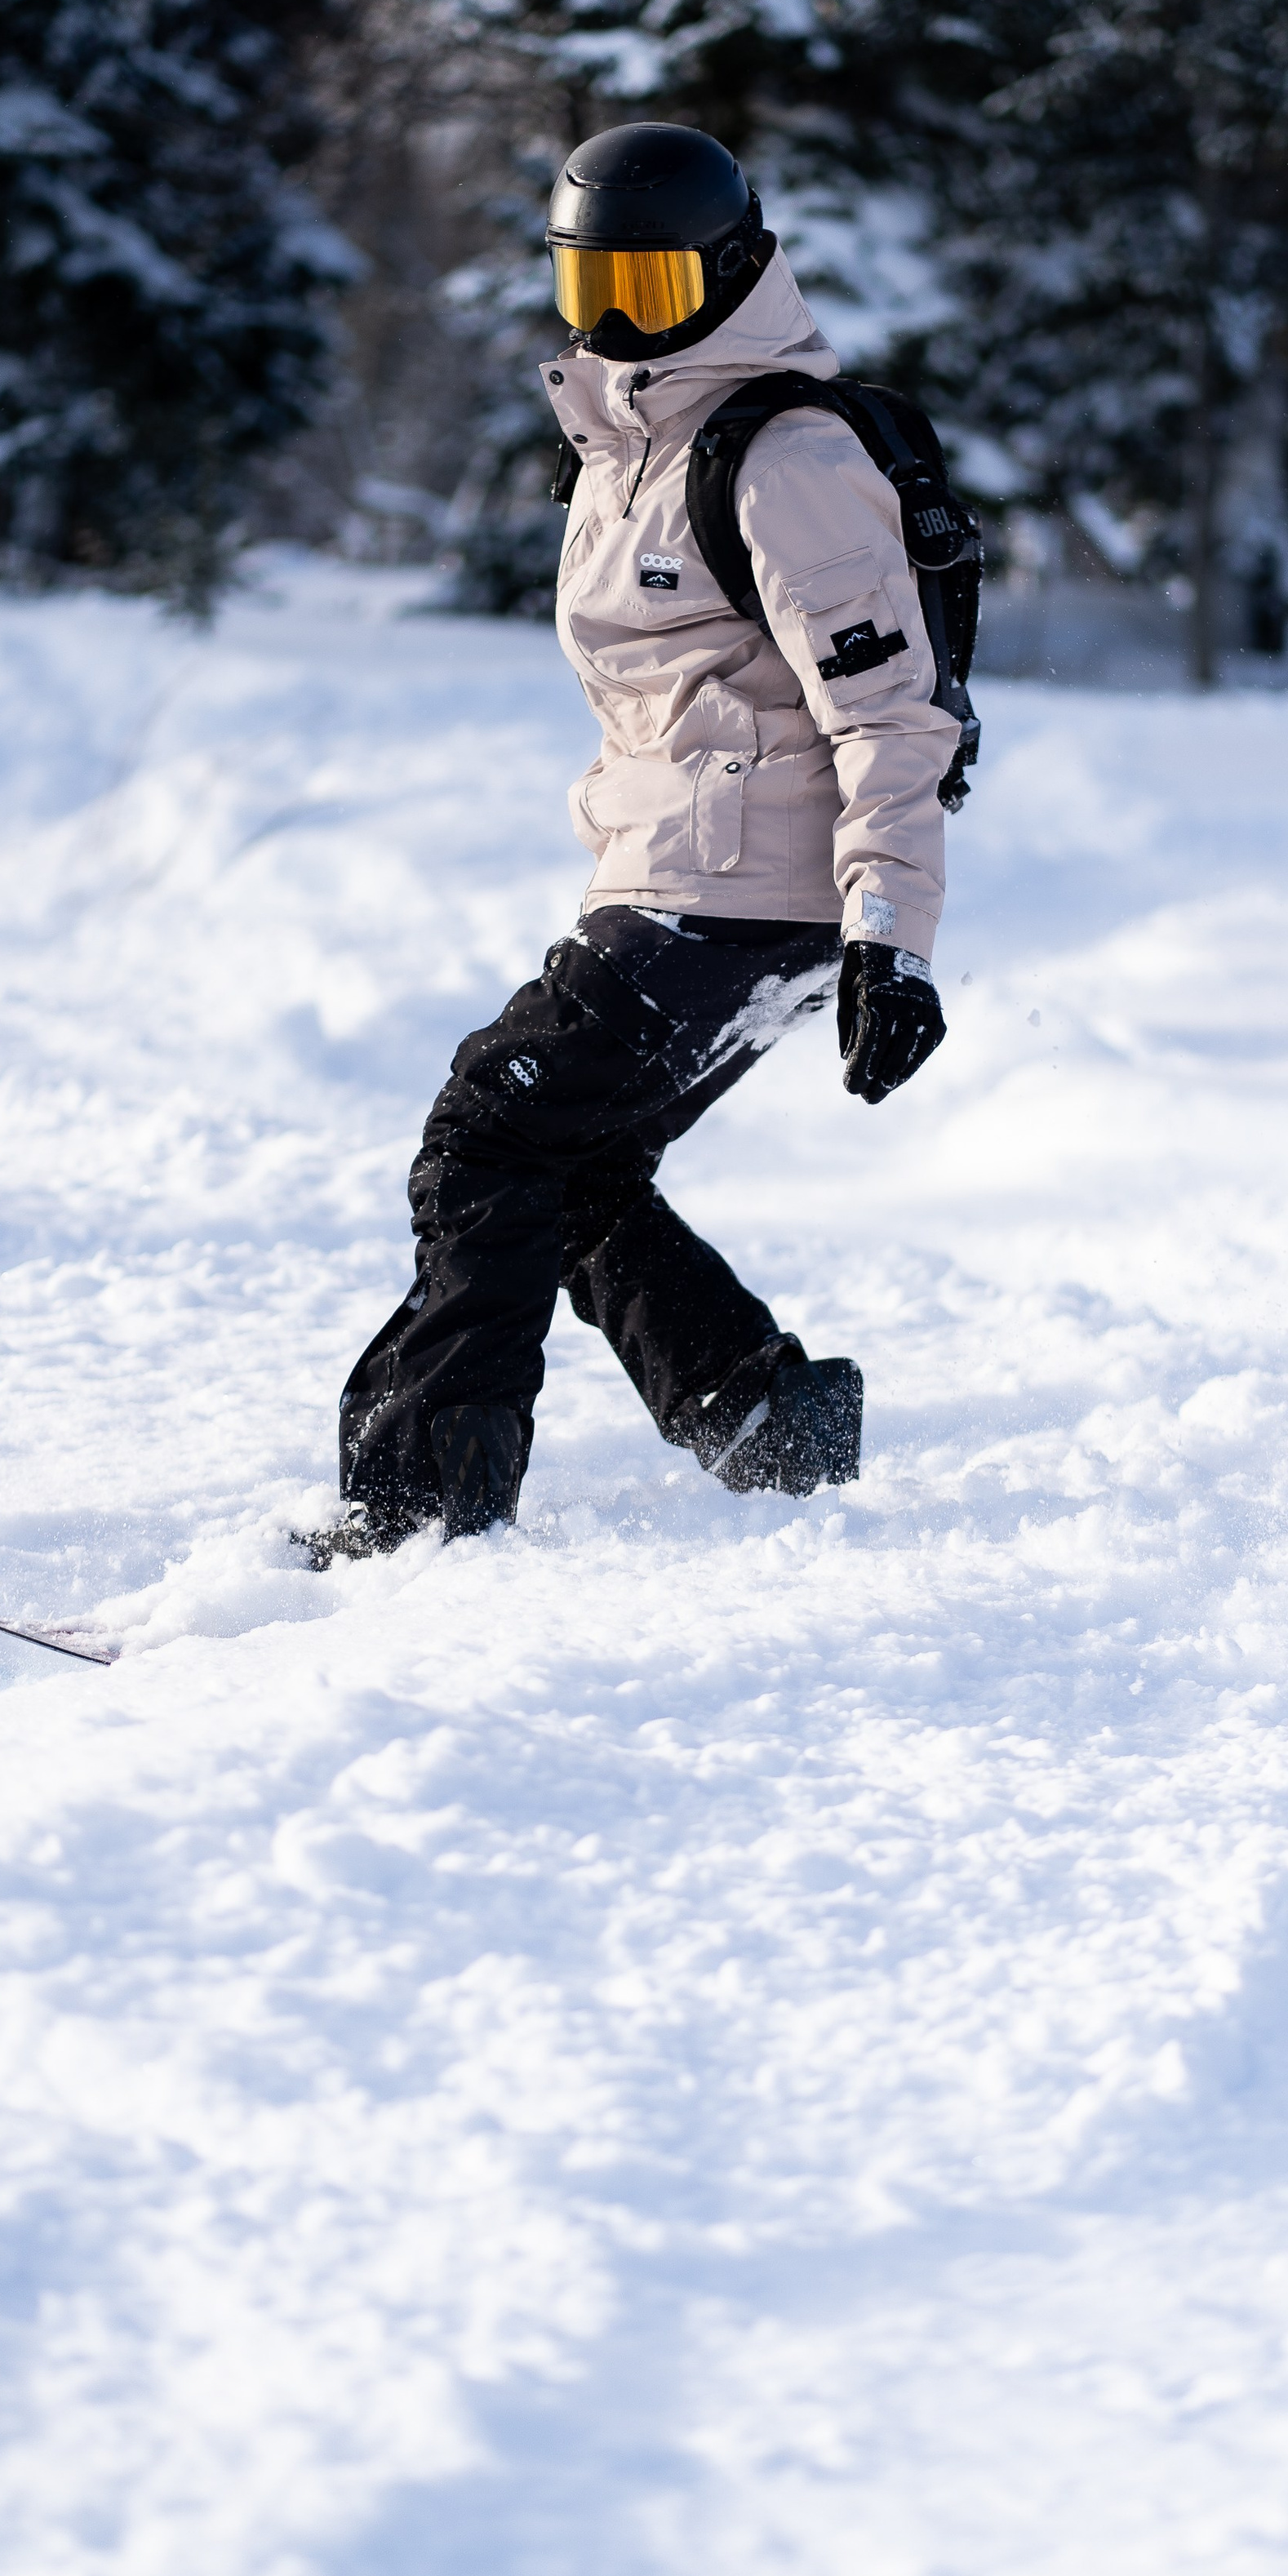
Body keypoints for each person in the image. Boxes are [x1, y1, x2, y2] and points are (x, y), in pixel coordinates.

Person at [303, 121, 961, 1560]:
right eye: (592, 285)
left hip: (741, 894)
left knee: (485, 1136)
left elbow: (894, 716)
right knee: (575, 1169)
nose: (615, 321)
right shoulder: (629, 447)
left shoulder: (783, 454)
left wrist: (890, 941)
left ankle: (417, 1514)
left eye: (653, 291)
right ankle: (768, 1421)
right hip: (685, 879)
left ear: (733, 273)